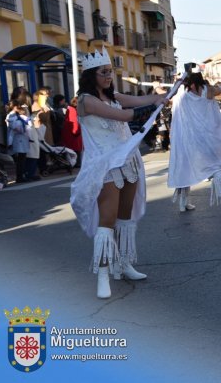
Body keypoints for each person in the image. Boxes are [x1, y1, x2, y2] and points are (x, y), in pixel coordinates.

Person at [70, 47, 166, 299]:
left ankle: (123, 265)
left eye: (110, 72)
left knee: (125, 217)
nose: (108, 76)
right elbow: (125, 115)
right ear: (91, 75)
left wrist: (162, 97)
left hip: (128, 160)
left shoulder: (114, 96)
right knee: (107, 220)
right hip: (105, 165)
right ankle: (103, 273)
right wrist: (149, 108)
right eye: (104, 72)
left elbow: (143, 101)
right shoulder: (86, 101)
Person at [168, 69, 221, 212]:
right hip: (206, 137)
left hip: (189, 138)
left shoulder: (183, 95)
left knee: (185, 167)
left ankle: (183, 203)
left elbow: (176, 113)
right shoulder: (207, 91)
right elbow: (218, 91)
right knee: (214, 168)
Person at [6, 99, 31, 183]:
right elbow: (15, 127)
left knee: (21, 158)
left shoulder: (15, 115)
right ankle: (20, 176)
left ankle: (21, 175)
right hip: (18, 139)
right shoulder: (11, 116)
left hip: (20, 139)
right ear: (15, 107)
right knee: (20, 159)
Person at [61, 97, 83, 167]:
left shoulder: (70, 109)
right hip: (73, 135)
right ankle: (76, 163)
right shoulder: (72, 110)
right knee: (75, 149)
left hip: (70, 133)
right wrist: (76, 132)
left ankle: (76, 163)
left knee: (73, 149)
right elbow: (74, 123)